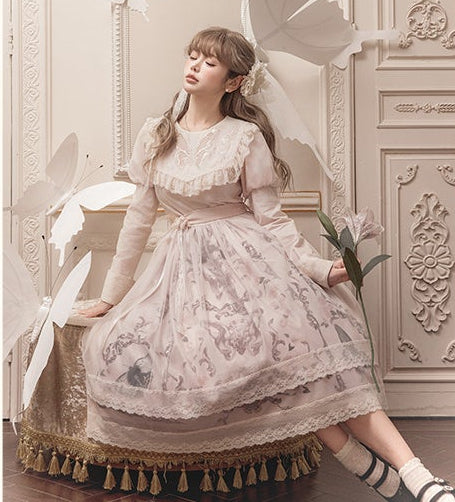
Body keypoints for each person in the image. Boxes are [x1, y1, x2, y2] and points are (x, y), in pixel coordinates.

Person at [80, 27, 454, 502]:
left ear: (233, 81)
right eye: (192, 56)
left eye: (209, 62)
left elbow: (272, 220)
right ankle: (362, 464)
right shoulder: (157, 134)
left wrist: (319, 269)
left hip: (251, 265)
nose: (194, 66)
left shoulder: (244, 136)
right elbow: (138, 220)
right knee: (123, 347)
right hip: (181, 272)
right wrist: (112, 295)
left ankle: (417, 476)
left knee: (311, 360)